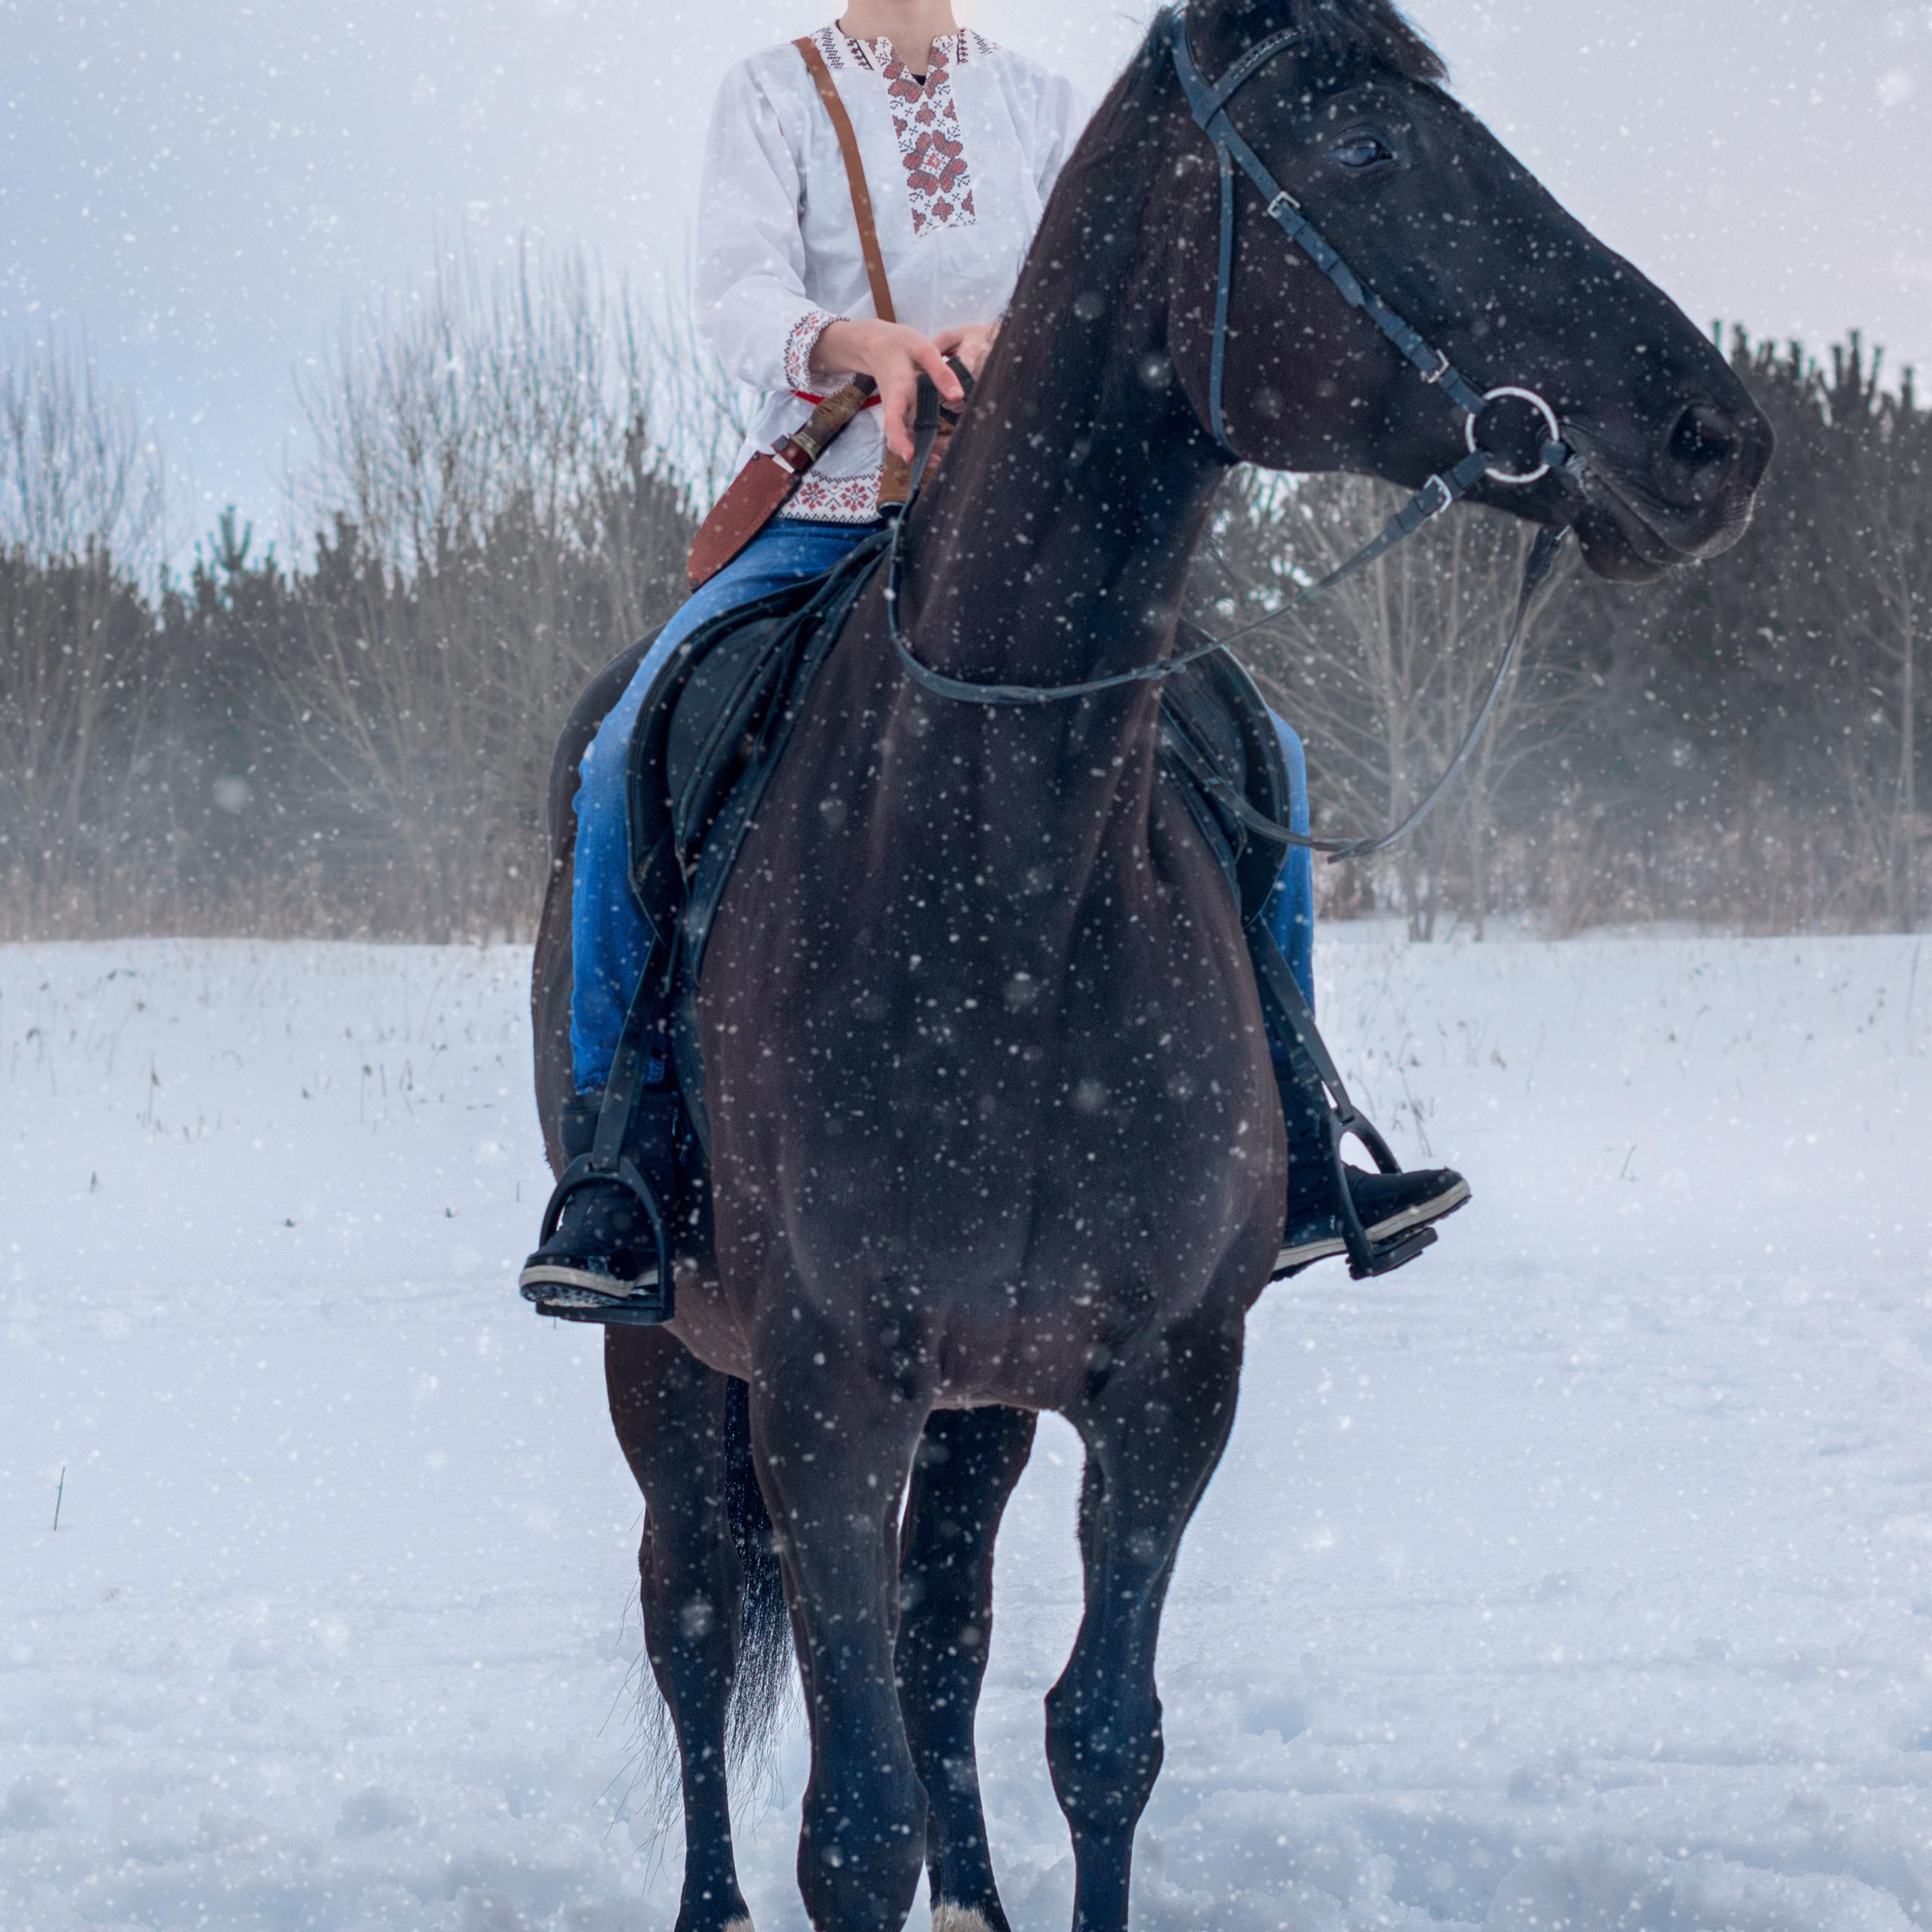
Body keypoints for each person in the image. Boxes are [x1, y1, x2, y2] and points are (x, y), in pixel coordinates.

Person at [518, 0, 1468, 1318]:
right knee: (626, 748)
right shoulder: (773, 91)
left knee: (1274, 756)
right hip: (825, 514)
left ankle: (1301, 1145)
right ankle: (620, 1169)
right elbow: (738, 300)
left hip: (1021, 541)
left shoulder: (1037, 101)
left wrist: (998, 343)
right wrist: (867, 346)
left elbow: (1097, 299)